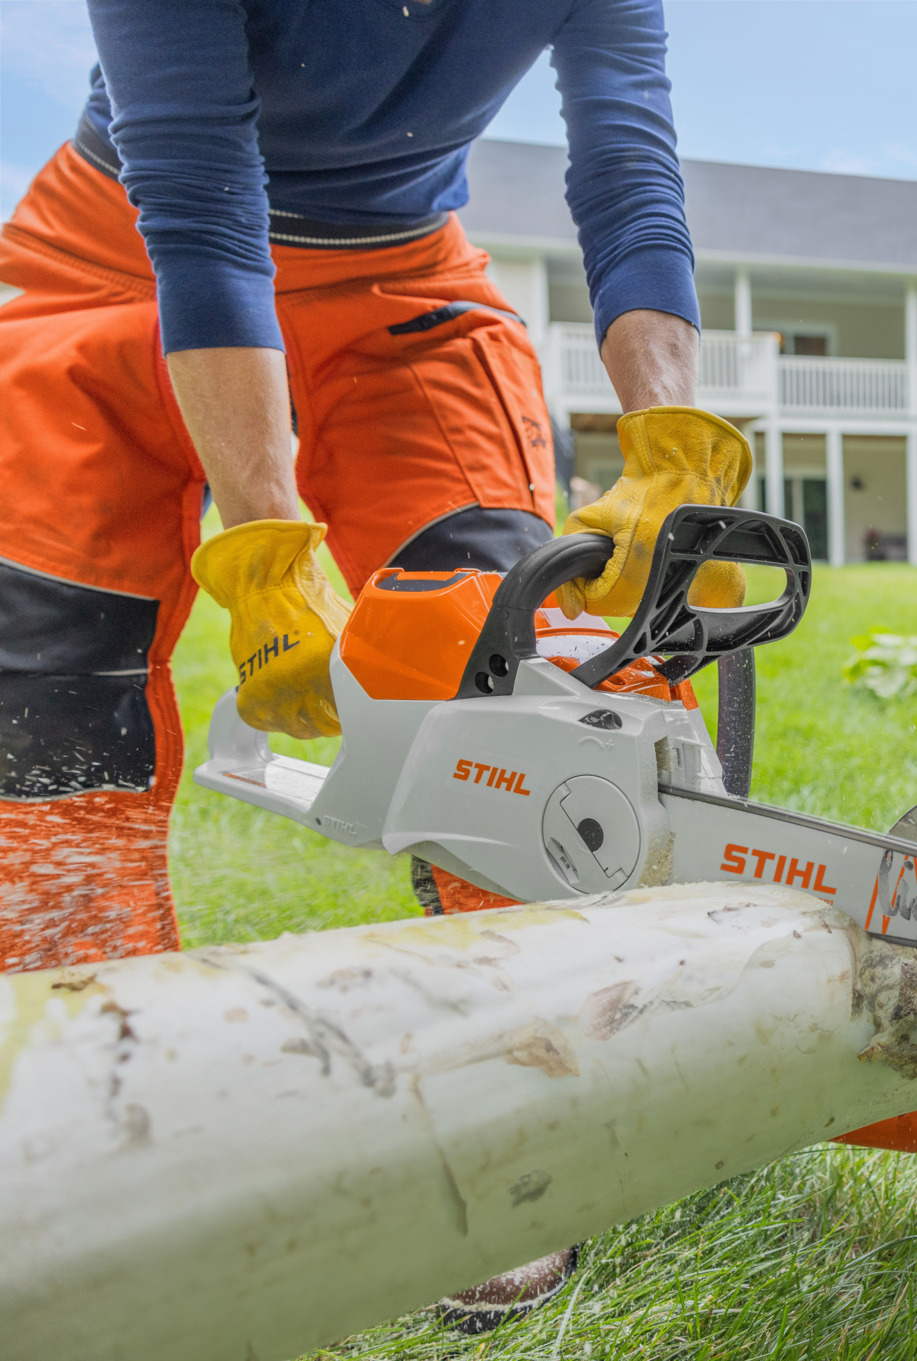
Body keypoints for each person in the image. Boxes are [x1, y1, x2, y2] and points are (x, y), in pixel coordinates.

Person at [0, 0, 749, 1329]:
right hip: (115, 256)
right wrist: (263, 528)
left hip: (403, 286)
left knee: (520, 664)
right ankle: (91, 1117)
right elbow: (199, 187)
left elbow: (626, 157)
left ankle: (521, 1088)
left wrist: (671, 439)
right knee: (45, 706)